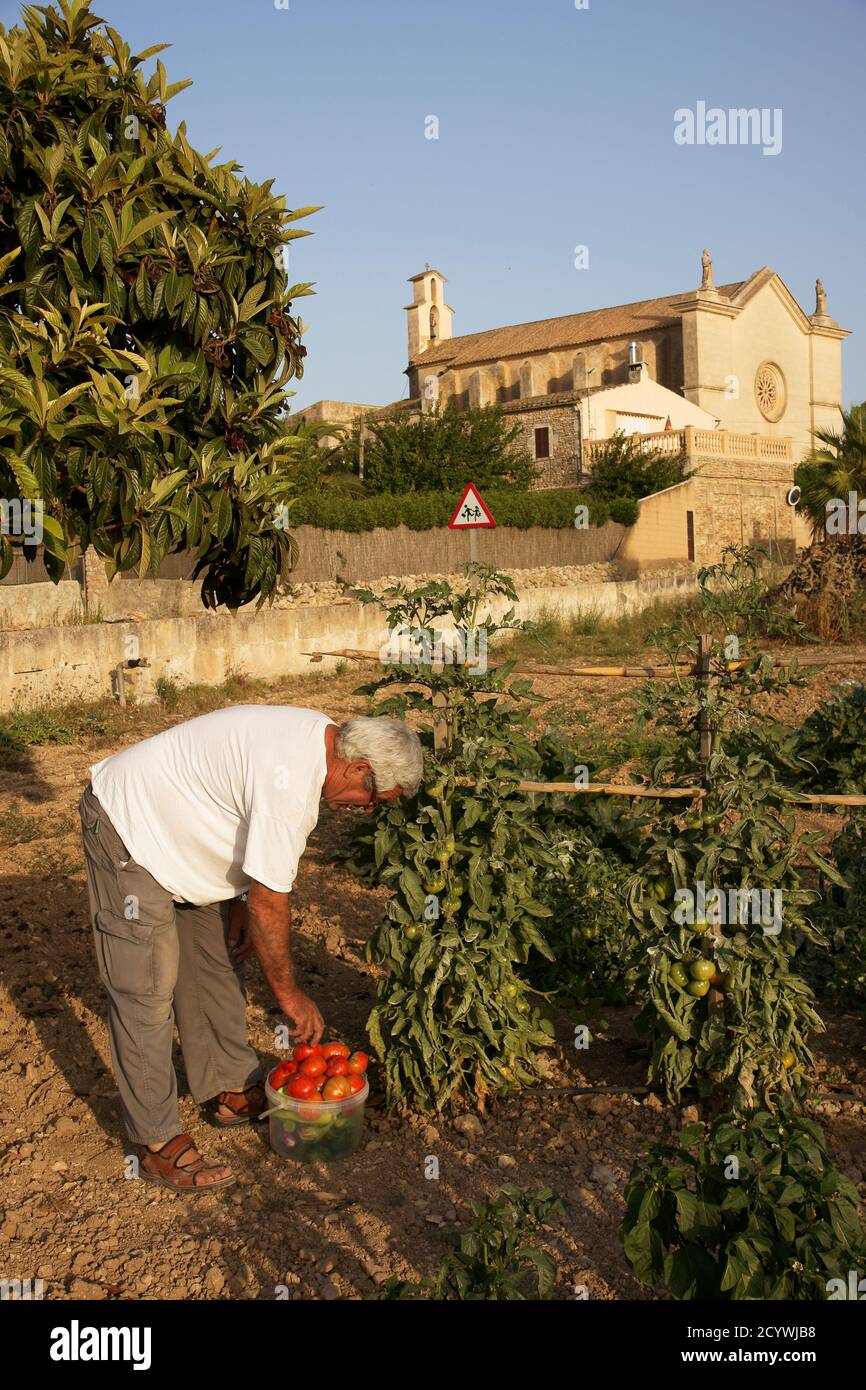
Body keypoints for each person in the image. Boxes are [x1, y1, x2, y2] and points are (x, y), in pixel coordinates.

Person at [78, 707, 422, 1193]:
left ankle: (230, 1088)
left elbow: (243, 826)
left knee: (218, 961)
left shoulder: (325, 739)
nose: (367, 809)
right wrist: (290, 995)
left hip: (186, 836)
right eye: (374, 799)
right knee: (146, 990)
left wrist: (236, 894)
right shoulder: (292, 786)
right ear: (359, 767)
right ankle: (156, 1143)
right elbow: (270, 905)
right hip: (130, 826)